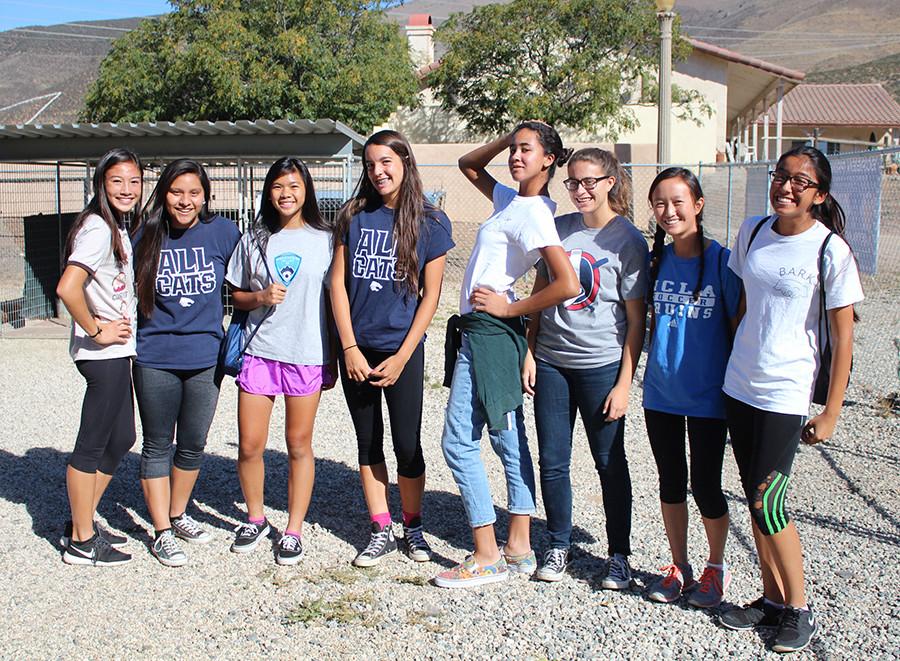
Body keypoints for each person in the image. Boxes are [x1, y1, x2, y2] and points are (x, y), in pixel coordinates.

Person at [718, 146, 863, 654]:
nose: (786, 186)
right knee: (755, 503)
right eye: (782, 176)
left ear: (819, 195)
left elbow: (843, 339)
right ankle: (772, 600)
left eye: (800, 182)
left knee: (768, 500)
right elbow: (741, 303)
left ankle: (800, 610)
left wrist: (832, 410)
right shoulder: (753, 232)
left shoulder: (830, 251)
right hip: (740, 386)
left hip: (786, 392)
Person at [435, 121, 579, 588]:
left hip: (490, 330)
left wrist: (509, 306)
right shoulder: (510, 201)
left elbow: (567, 283)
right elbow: (468, 165)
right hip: (486, 332)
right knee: (506, 436)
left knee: (458, 441)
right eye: (514, 149)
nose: (516, 156)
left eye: (527, 150)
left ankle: (486, 554)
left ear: (549, 159)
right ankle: (518, 545)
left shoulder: (535, 213)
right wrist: (509, 136)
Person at [330, 130, 453, 567]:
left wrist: (403, 355)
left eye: (386, 162)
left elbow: (432, 296)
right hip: (358, 350)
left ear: (405, 161)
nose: (377, 172)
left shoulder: (431, 221)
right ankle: (381, 526)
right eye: (369, 165)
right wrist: (348, 347)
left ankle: (413, 526)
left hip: (403, 350)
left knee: (407, 444)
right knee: (368, 442)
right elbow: (337, 286)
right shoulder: (352, 215)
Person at [528, 148, 648, 586]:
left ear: (610, 183)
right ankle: (558, 543)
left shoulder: (629, 241)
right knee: (553, 460)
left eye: (589, 182)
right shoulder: (558, 230)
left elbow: (636, 321)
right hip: (553, 362)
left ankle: (619, 554)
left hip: (601, 366)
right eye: (573, 183)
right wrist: (530, 348)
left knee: (608, 461)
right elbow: (542, 292)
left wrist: (624, 383)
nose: (580, 190)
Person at [131, 159, 241, 567]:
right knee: (158, 443)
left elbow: (248, 278)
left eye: (194, 192)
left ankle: (178, 513)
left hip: (205, 360)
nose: (185, 200)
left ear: (206, 195)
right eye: (177, 192)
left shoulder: (224, 233)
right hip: (155, 357)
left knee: (193, 444)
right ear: (164, 193)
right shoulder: (145, 234)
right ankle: (160, 531)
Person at [226, 157, 335, 566]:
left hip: (307, 354)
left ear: (306, 189)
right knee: (251, 445)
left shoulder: (326, 239)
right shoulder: (253, 238)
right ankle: (255, 518)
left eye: (293, 185)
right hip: (259, 352)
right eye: (277, 186)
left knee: (298, 445)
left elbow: (335, 297)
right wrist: (260, 297)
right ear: (267, 192)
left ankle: (293, 529)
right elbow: (236, 295)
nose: (285, 193)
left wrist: (338, 356)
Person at [641, 168, 741, 607]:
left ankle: (715, 566)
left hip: (708, 397)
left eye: (678, 201)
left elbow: (739, 329)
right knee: (670, 481)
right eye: (660, 203)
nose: (669, 211)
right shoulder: (656, 261)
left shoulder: (723, 261)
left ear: (698, 205)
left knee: (706, 484)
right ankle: (678, 564)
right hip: (661, 393)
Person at [56, 148, 143, 566]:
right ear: (101, 186)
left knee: (123, 437)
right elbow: (67, 288)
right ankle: (82, 541)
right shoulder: (96, 229)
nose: (126, 190)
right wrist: (97, 329)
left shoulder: (116, 225)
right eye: (116, 182)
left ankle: (81, 521)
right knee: (91, 445)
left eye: (133, 181)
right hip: (101, 353)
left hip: (117, 352)